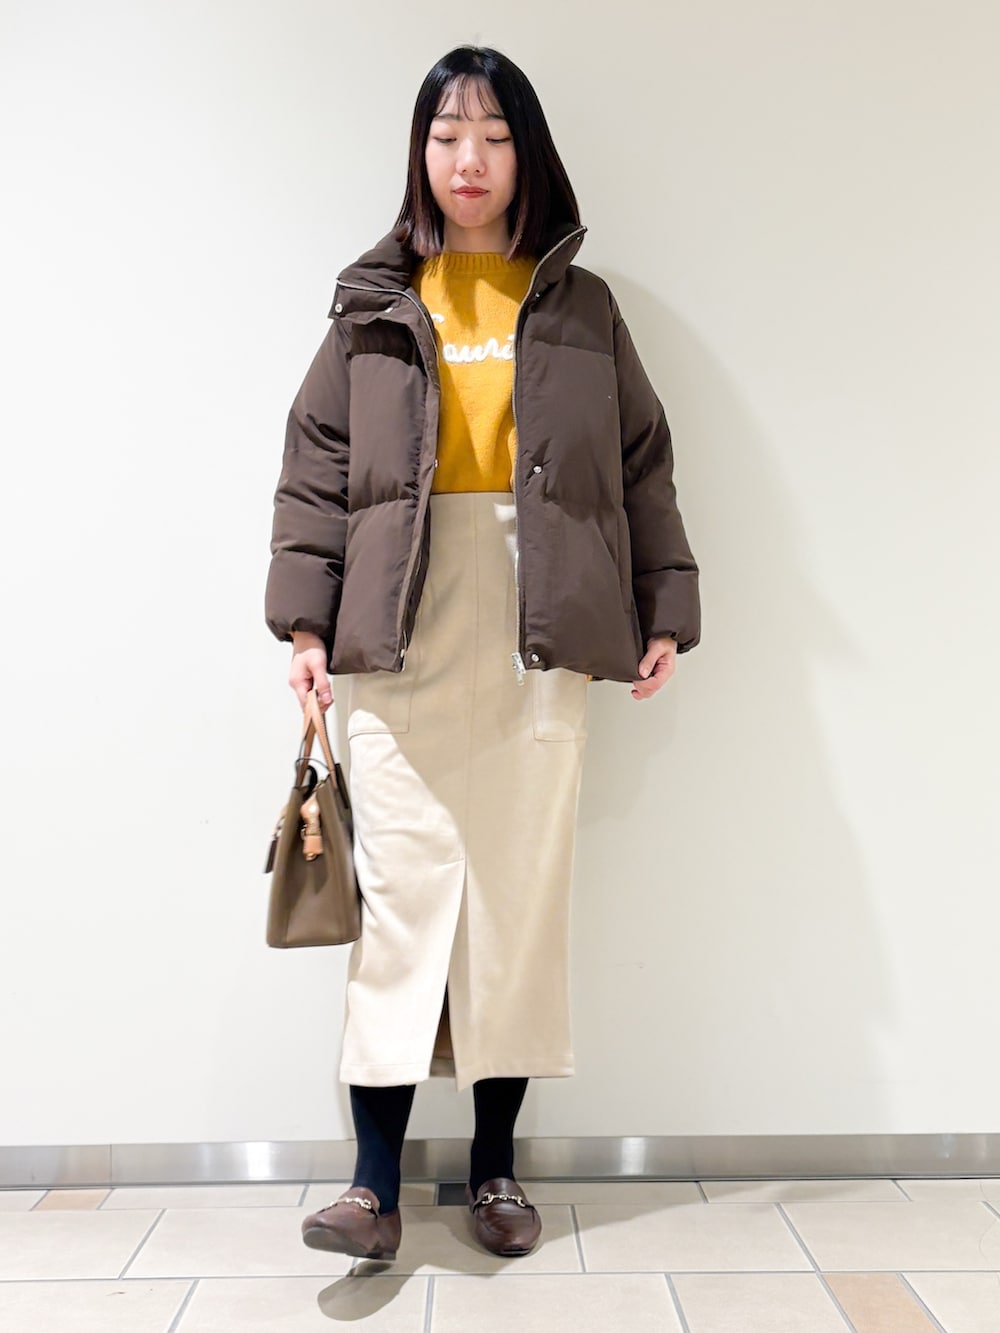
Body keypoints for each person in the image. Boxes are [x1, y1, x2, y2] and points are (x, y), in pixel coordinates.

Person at [264, 44, 700, 1263]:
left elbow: (641, 465)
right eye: (448, 134)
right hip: (398, 630)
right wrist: (306, 625)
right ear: (420, 153)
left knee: (513, 899)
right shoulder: (370, 304)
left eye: (495, 136)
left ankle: (495, 1172)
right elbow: (315, 471)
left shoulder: (581, 307)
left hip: (538, 628)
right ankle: (371, 1190)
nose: (470, 159)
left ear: (527, 156)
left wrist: (663, 607)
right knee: (399, 903)